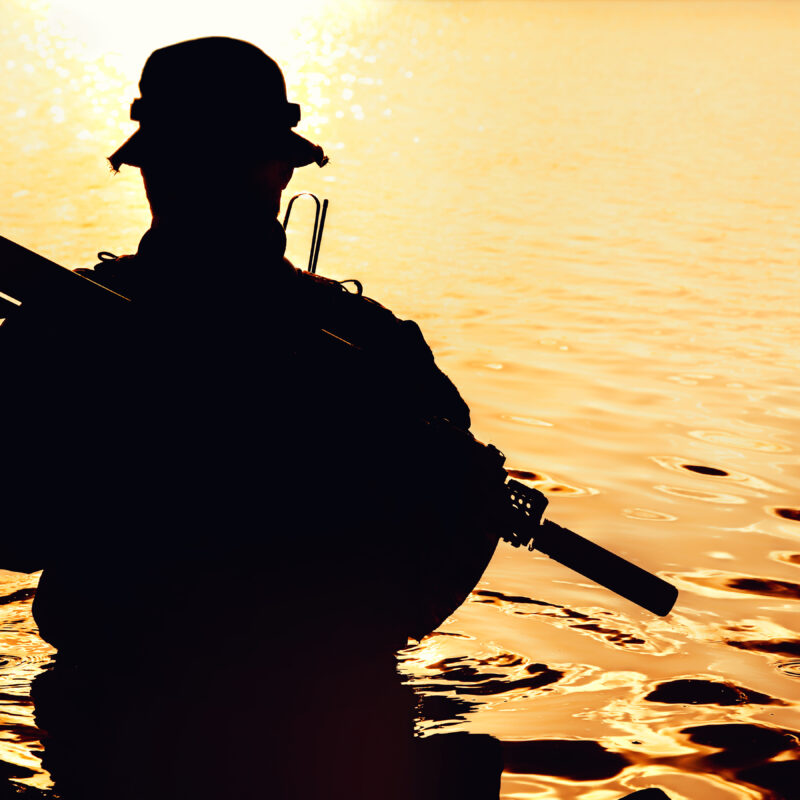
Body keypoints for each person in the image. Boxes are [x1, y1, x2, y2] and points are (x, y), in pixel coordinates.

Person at [4, 36, 504, 799]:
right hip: (328, 740)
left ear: (149, 172)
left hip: (110, 738)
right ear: (279, 171)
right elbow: (421, 591)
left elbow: (14, 533)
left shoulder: (57, 328)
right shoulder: (377, 351)